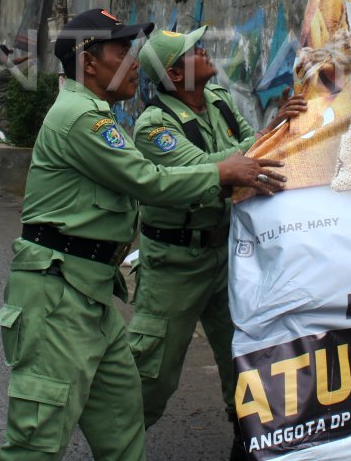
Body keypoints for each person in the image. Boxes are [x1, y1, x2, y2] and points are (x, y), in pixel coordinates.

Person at [0, 8, 286, 461]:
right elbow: (148, 181)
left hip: (90, 292)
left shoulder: (102, 113)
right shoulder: (82, 117)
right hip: (57, 296)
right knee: (38, 440)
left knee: (123, 423)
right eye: (122, 51)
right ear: (89, 61)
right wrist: (221, 172)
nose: (133, 61)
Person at [130, 26, 306, 460]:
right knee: (154, 369)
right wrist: (262, 141)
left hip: (227, 254)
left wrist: (277, 126)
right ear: (174, 74)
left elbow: (249, 148)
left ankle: (247, 442)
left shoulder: (219, 102)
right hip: (175, 262)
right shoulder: (154, 127)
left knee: (244, 353)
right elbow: (208, 169)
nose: (205, 51)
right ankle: (119, 439)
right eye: (194, 50)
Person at [0, 44, 30, 135]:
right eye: (6, 55)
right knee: (8, 139)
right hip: (1, 112)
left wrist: (29, 56)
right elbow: (21, 80)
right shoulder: (2, 71)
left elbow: (13, 61)